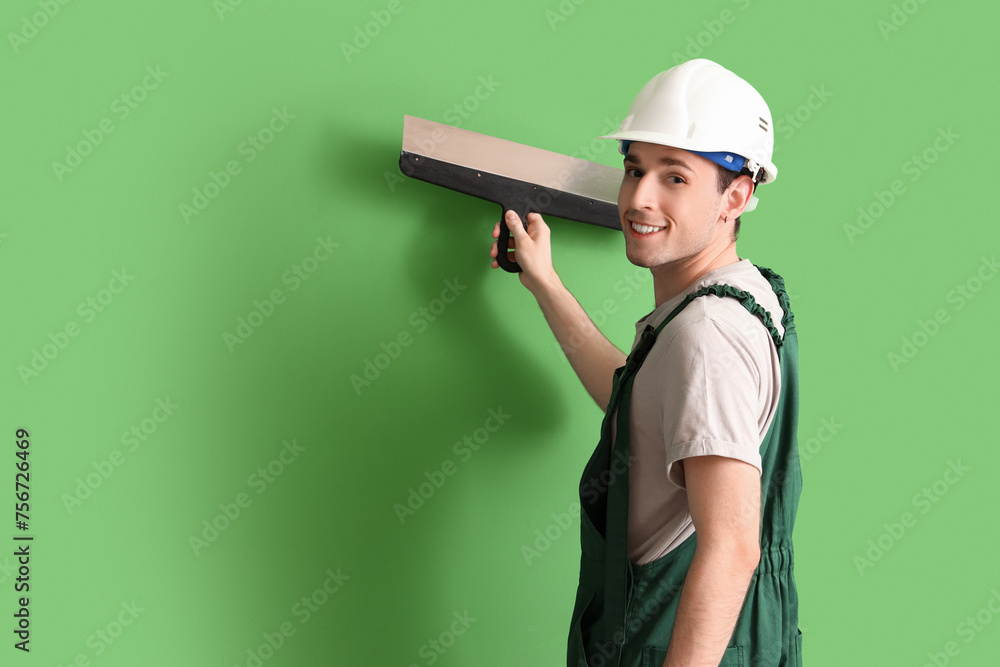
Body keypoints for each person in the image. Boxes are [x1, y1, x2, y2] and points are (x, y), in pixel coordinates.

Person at [489, 59, 803, 666]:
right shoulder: (738, 298)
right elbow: (643, 404)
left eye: (675, 178)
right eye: (634, 168)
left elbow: (733, 546)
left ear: (735, 196)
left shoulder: (708, 334)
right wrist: (545, 284)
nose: (638, 197)